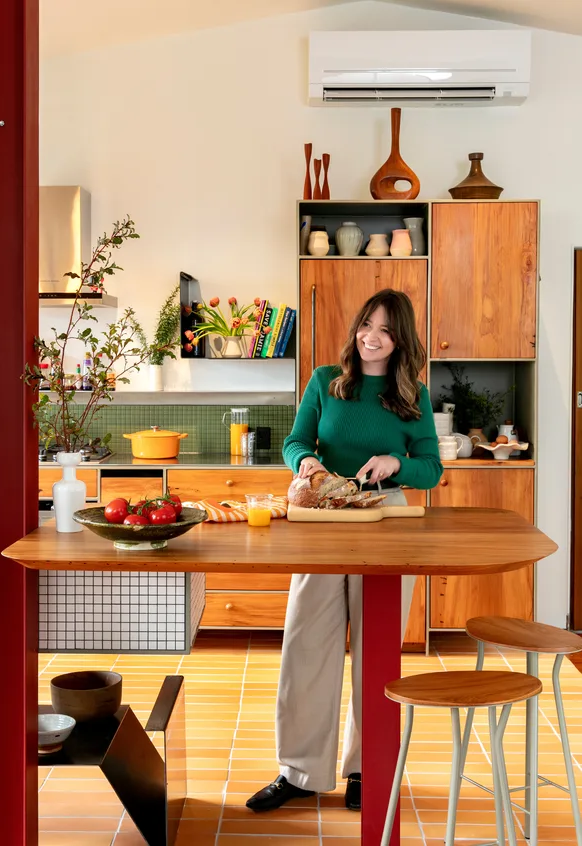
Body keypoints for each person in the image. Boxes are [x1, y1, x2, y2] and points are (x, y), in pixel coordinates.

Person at [246, 288, 442, 813]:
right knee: (305, 643)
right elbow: (295, 441)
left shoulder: (412, 396)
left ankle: (366, 769)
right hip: (323, 512)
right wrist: (305, 463)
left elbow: (432, 468)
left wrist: (395, 463)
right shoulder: (324, 383)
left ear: (400, 341)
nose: (370, 337)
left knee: (375, 655)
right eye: (365, 325)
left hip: (387, 519)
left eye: (384, 330)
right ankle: (300, 772)